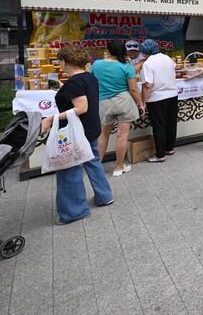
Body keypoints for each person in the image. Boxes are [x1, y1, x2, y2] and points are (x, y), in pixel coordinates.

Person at [39, 45, 113, 225]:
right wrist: (62, 88)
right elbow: (81, 96)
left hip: (76, 133)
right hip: (90, 128)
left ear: (64, 62)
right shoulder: (89, 77)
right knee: (93, 161)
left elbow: (81, 107)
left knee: (69, 170)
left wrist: (50, 119)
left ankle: (74, 212)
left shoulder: (74, 83)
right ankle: (104, 195)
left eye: (59, 61)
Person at [91, 40, 142, 177]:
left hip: (104, 103)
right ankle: (119, 167)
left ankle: (97, 168)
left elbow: (92, 82)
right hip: (124, 102)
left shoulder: (97, 64)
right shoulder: (126, 66)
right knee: (122, 136)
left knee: (103, 135)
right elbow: (133, 89)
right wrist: (141, 104)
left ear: (108, 50)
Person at [139, 39, 179, 163]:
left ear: (145, 52)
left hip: (157, 98)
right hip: (172, 95)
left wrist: (143, 102)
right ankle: (169, 148)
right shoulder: (167, 58)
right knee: (171, 123)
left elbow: (147, 85)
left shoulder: (148, 63)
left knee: (159, 126)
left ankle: (160, 155)